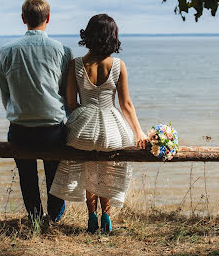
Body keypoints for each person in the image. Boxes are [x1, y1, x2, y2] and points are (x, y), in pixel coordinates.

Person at [50, 14, 147, 233]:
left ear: (89, 35)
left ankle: (91, 215)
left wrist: (84, 117)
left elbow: (71, 102)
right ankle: (107, 216)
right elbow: (126, 104)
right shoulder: (118, 65)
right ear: (112, 37)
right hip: (111, 128)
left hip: (83, 128)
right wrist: (139, 132)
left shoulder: (76, 64)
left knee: (88, 169)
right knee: (106, 170)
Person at [0, 0, 72, 223]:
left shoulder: (7, 50)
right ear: (48, 18)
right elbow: (65, 92)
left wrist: (19, 112)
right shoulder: (62, 51)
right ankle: (55, 216)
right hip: (52, 129)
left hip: (20, 129)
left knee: (27, 176)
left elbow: (5, 93)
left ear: (23, 19)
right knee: (55, 174)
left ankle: (35, 217)